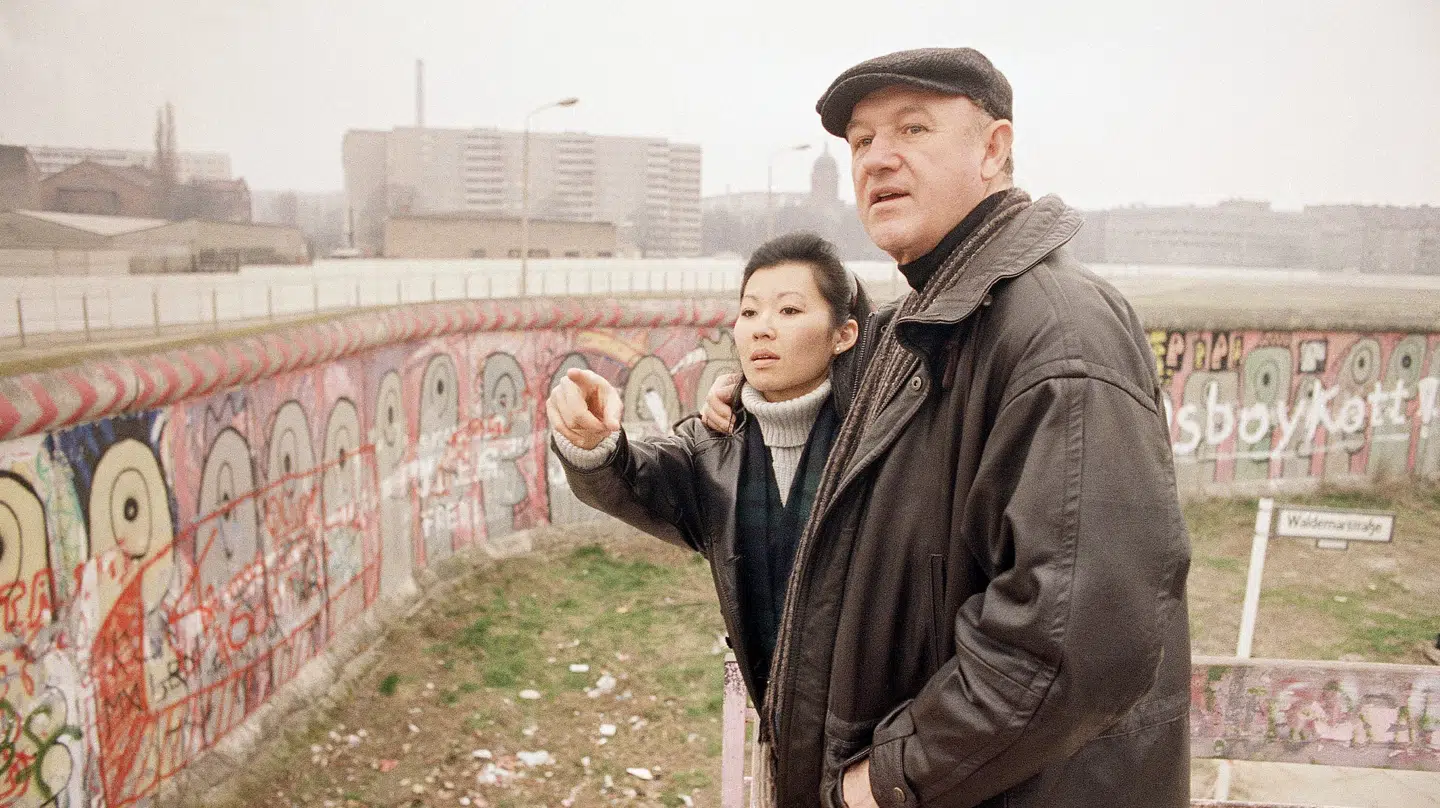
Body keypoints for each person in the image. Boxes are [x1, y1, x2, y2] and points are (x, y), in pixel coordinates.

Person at [703, 48, 1192, 808]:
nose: (878, 159)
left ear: (994, 150)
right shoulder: (913, 330)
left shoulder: (1058, 335)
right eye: (861, 141)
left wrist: (885, 782)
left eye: (914, 129)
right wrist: (734, 397)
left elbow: (1073, 641)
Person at [546, 232, 872, 714]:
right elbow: (634, 478)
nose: (762, 329)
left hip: (880, 730)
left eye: (789, 311)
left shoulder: (883, 437)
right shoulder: (716, 449)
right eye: (749, 312)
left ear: (843, 334)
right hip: (780, 727)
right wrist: (592, 443)